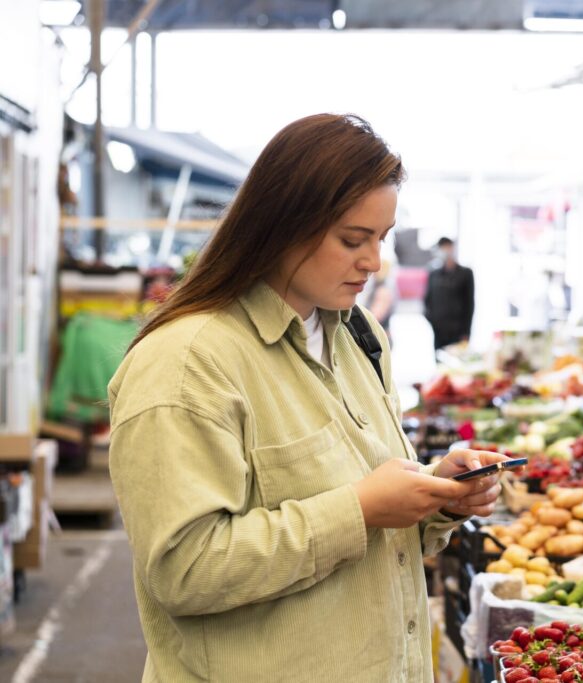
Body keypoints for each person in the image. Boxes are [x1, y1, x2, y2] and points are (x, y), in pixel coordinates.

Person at [107, 114, 508, 683]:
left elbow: (369, 513)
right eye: (352, 240)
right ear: (282, 225)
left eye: (382, 239)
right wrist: (361, 508)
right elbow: (184, 570)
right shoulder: (187, 364)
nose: (373, 262)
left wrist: (435, 494)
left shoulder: (358, 333)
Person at [424, 236, 474, 350]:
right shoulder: (434, 274)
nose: (445, 251)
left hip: (458, 332)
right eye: (442, 248)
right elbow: (428, 300)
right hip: (439, 331)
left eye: (448, 247)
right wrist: (433, 321)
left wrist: (466, 332)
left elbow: (469, 304)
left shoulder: (465, 273)